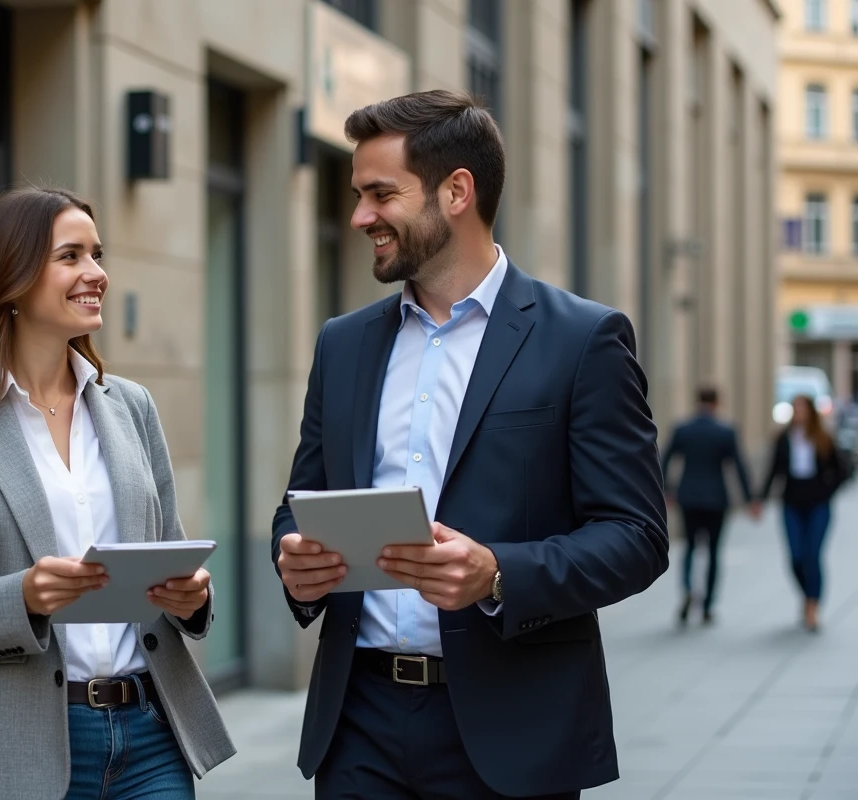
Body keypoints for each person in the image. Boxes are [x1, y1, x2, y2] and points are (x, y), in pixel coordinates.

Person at [271, 90, 668, 800]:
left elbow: (637, 536)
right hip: (357, 723)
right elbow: (301, 505)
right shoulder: (343, 344)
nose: (360, 216)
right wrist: (296, 560)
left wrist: (497, 575)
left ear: (457, 191)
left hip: (513, 731)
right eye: (358, 195)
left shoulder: (582, 340)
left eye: (380, 194)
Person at [0, 187, 235, 799]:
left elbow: (170, 553)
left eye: (97, 254)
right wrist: (21, 598)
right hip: (17, 752)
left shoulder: (131, 407)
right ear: (10, 279)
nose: (97, 274)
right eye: (71, 256)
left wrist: (192, 597)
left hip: (150, 738)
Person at [661, 386, 761, 625]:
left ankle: (687, 588)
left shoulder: (683, 428)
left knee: (690, 547)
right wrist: (750, 500)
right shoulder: (725, 431)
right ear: (717, 403)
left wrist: (667, 490)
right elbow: (739, 466)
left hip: (689, 497)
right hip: (717, 499)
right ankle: (707, 605)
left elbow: (663, 460)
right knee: (714, 552)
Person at [758, 393, 850, 632]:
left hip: (818, 504)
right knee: (796, 557)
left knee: (812, 554)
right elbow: (774, 470)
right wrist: (761, 499)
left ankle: (813, 606)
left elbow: (843, 469)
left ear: (810, 411)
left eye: (801, 408)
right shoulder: (783, 438)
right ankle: (808, 594)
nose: (798, 413)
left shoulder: (823, 437)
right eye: (794, 408)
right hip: (792, 503)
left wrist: (827, 491)